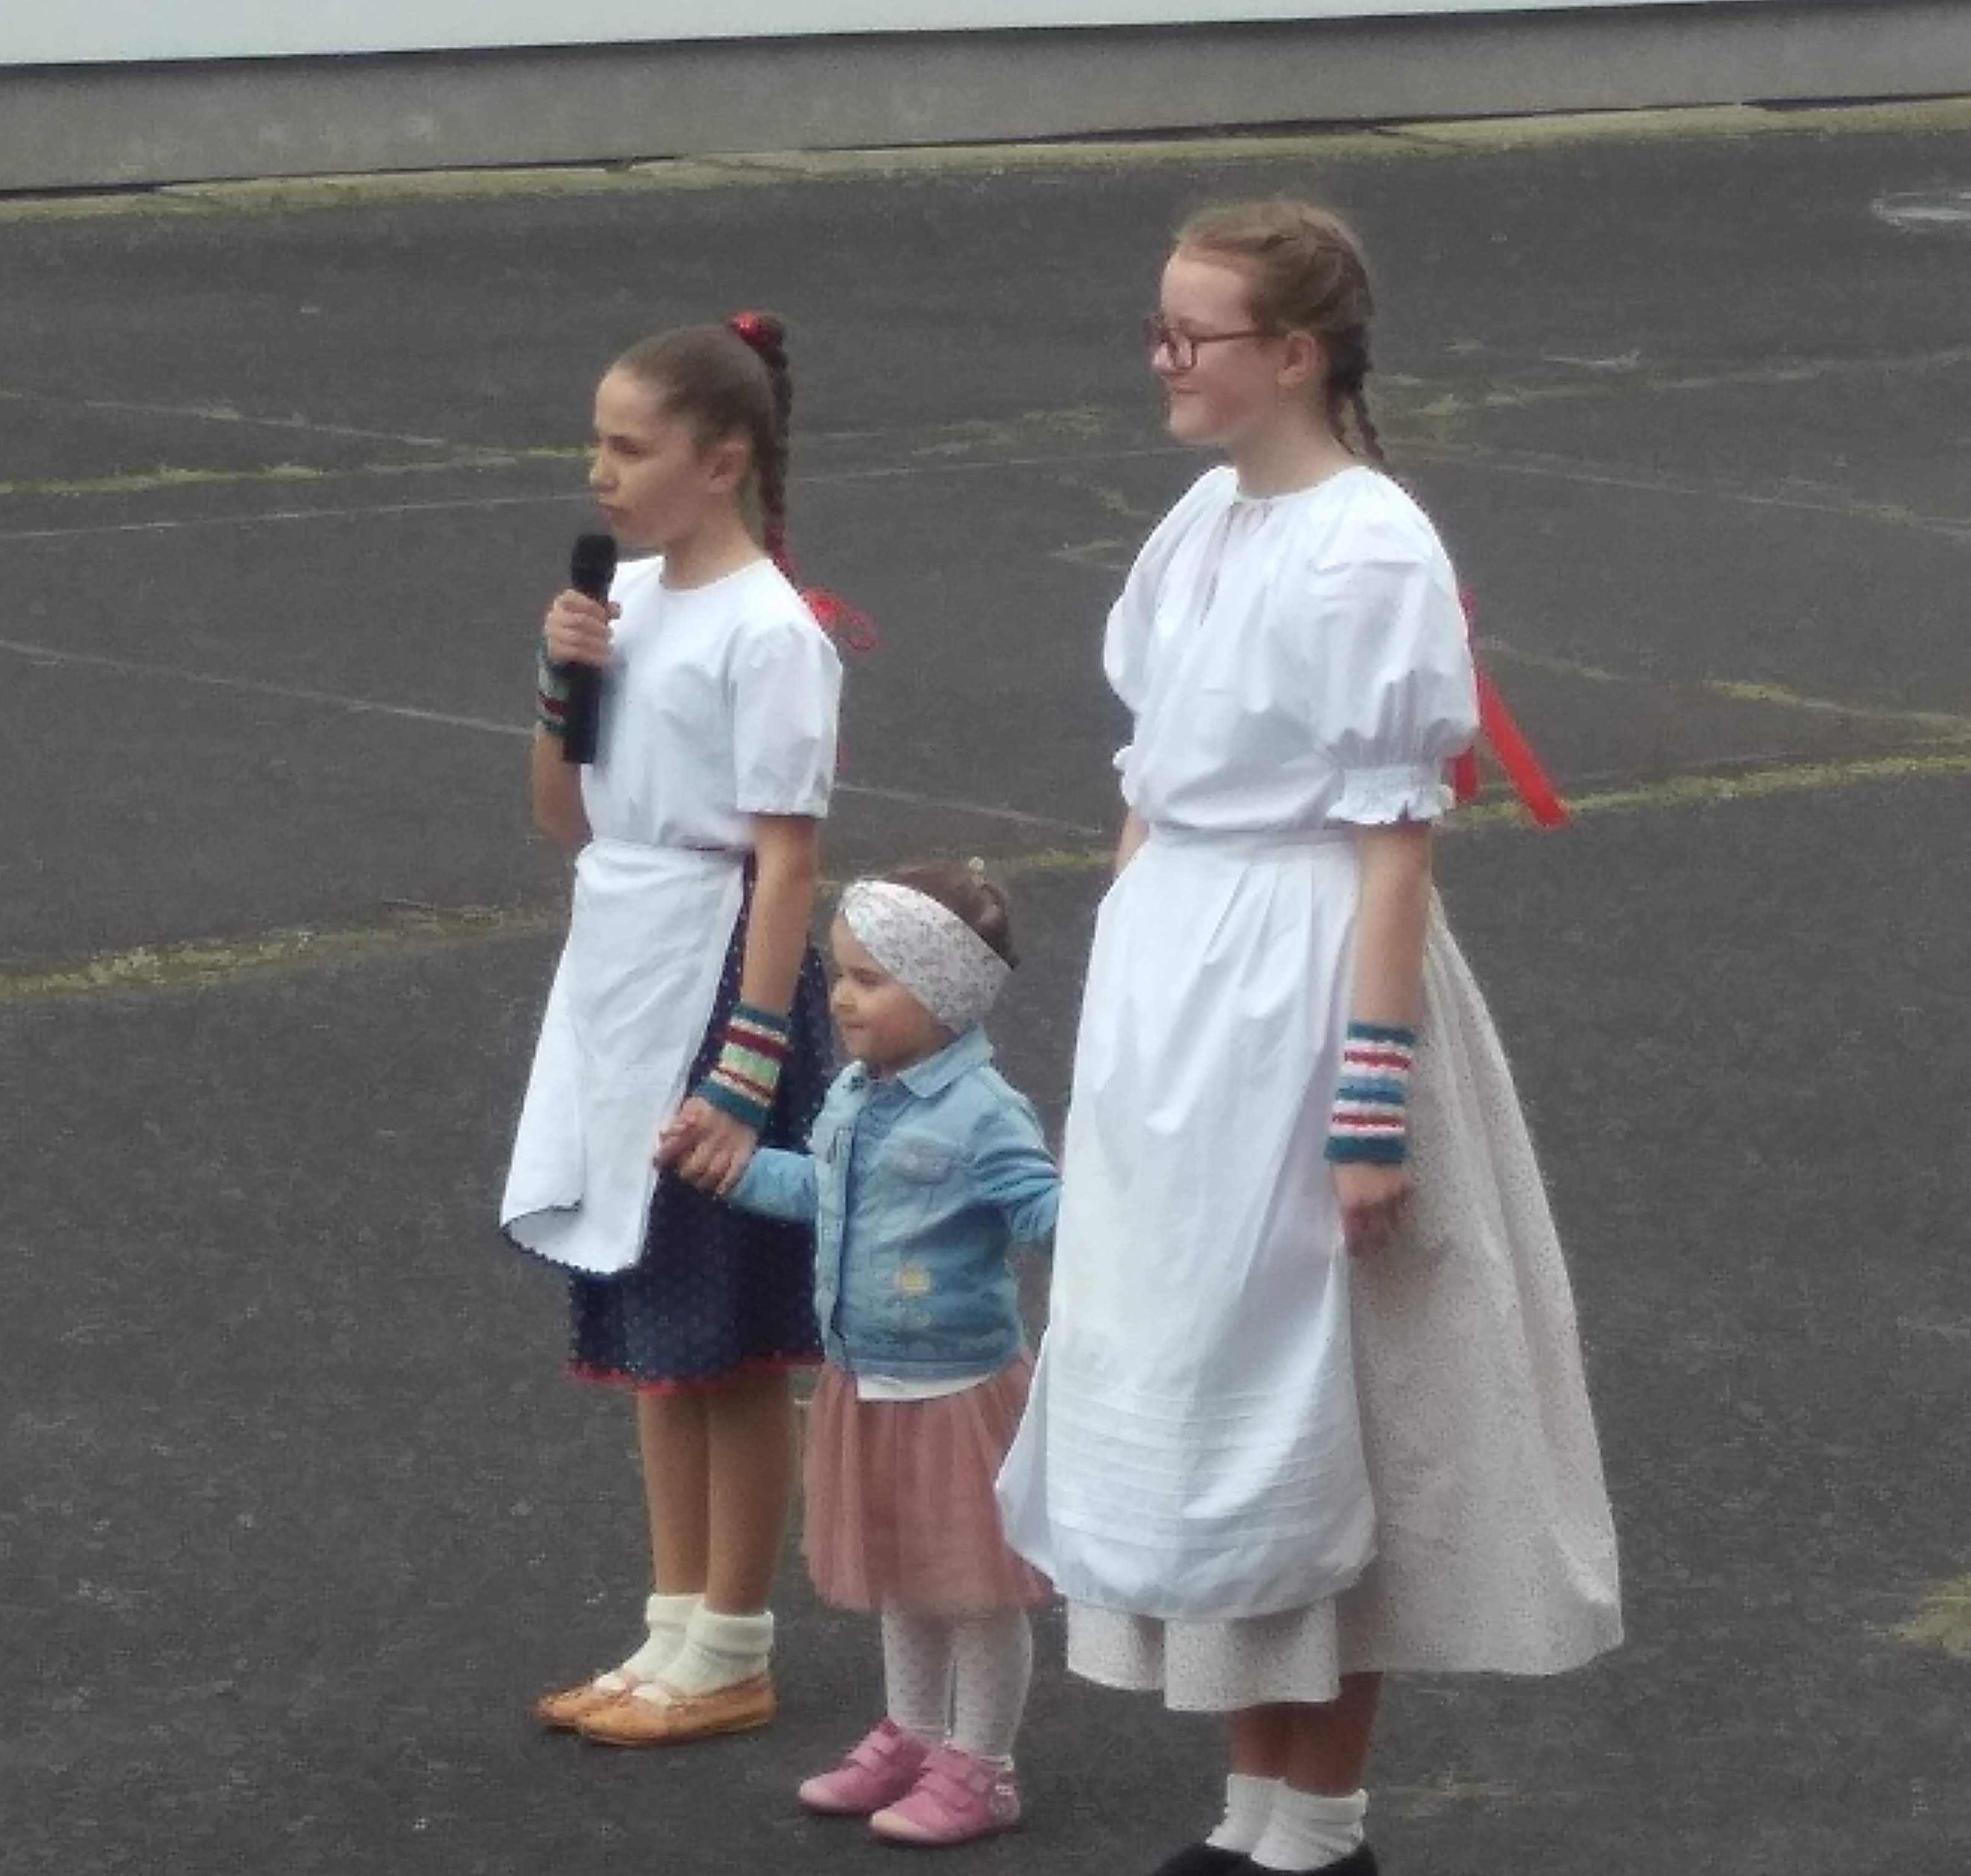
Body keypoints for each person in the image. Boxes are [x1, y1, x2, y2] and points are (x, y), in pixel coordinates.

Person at [996, 200, 1622, 1876]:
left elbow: (1392, 846)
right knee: (1205, 1388)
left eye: (1189, 335)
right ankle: (1252, 1815)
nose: (1161, 360)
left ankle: (1318, 1830)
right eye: (1156, 327)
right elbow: (1149, 791)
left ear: (1293, 353)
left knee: (1321, 1392)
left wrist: (1367, 1104)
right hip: (1183, 1000)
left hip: (1301, 986)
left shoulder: (1367, 549)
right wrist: (1126, 1013)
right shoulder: (1202, 523)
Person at [502, 310, 846, 1748]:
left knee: (731, 1340)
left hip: (718, 981)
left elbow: (786, 861)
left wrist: (747, 1063)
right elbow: (562, 815)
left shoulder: (769, 633)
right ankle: (668, 1626)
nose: (601, 471)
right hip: (622, 965)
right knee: (654, 1321)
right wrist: (561, 684)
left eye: (630, 447)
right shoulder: (625, 604)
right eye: (596, 442)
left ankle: (733, 1641)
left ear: (720, 462)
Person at [668, 860, 1057, 1845]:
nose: (842, 996)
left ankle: (984, 1766)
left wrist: (1108, 1225)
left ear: (945, 992)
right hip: (865, 1377)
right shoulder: (852, 1093)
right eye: (840, 972)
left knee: (975, 1588)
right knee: (902, 1574)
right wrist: (735, 1170)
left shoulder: (984, 1112)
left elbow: (1044, 1211)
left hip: (954, 1389)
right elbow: (824, 1192)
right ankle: (916, 1736)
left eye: (871, 980)